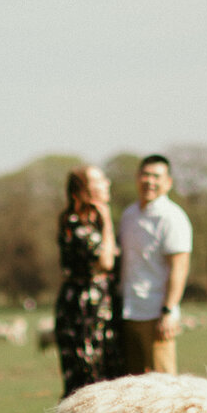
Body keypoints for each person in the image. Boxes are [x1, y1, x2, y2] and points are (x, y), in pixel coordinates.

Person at [115, 154, 192, 375]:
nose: (150, 181)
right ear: (137, 177)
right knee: (133, 383)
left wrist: (169, 310)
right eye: (145, 175)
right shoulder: (130, 215)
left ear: (168, 182)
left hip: (156, 311)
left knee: (163, 384)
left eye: (156, 176)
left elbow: (179, 266)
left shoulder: (172, 218)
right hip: (129, 310)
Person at [52, 164, 120, 396]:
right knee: (86, 378)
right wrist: (108, 222)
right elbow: (106, 262)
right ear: (80, 192)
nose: (106, 184)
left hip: (100, 306)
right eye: (99, 181)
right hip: (82, 310)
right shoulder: (74, 223)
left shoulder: (92, 222)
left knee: (105, 376)